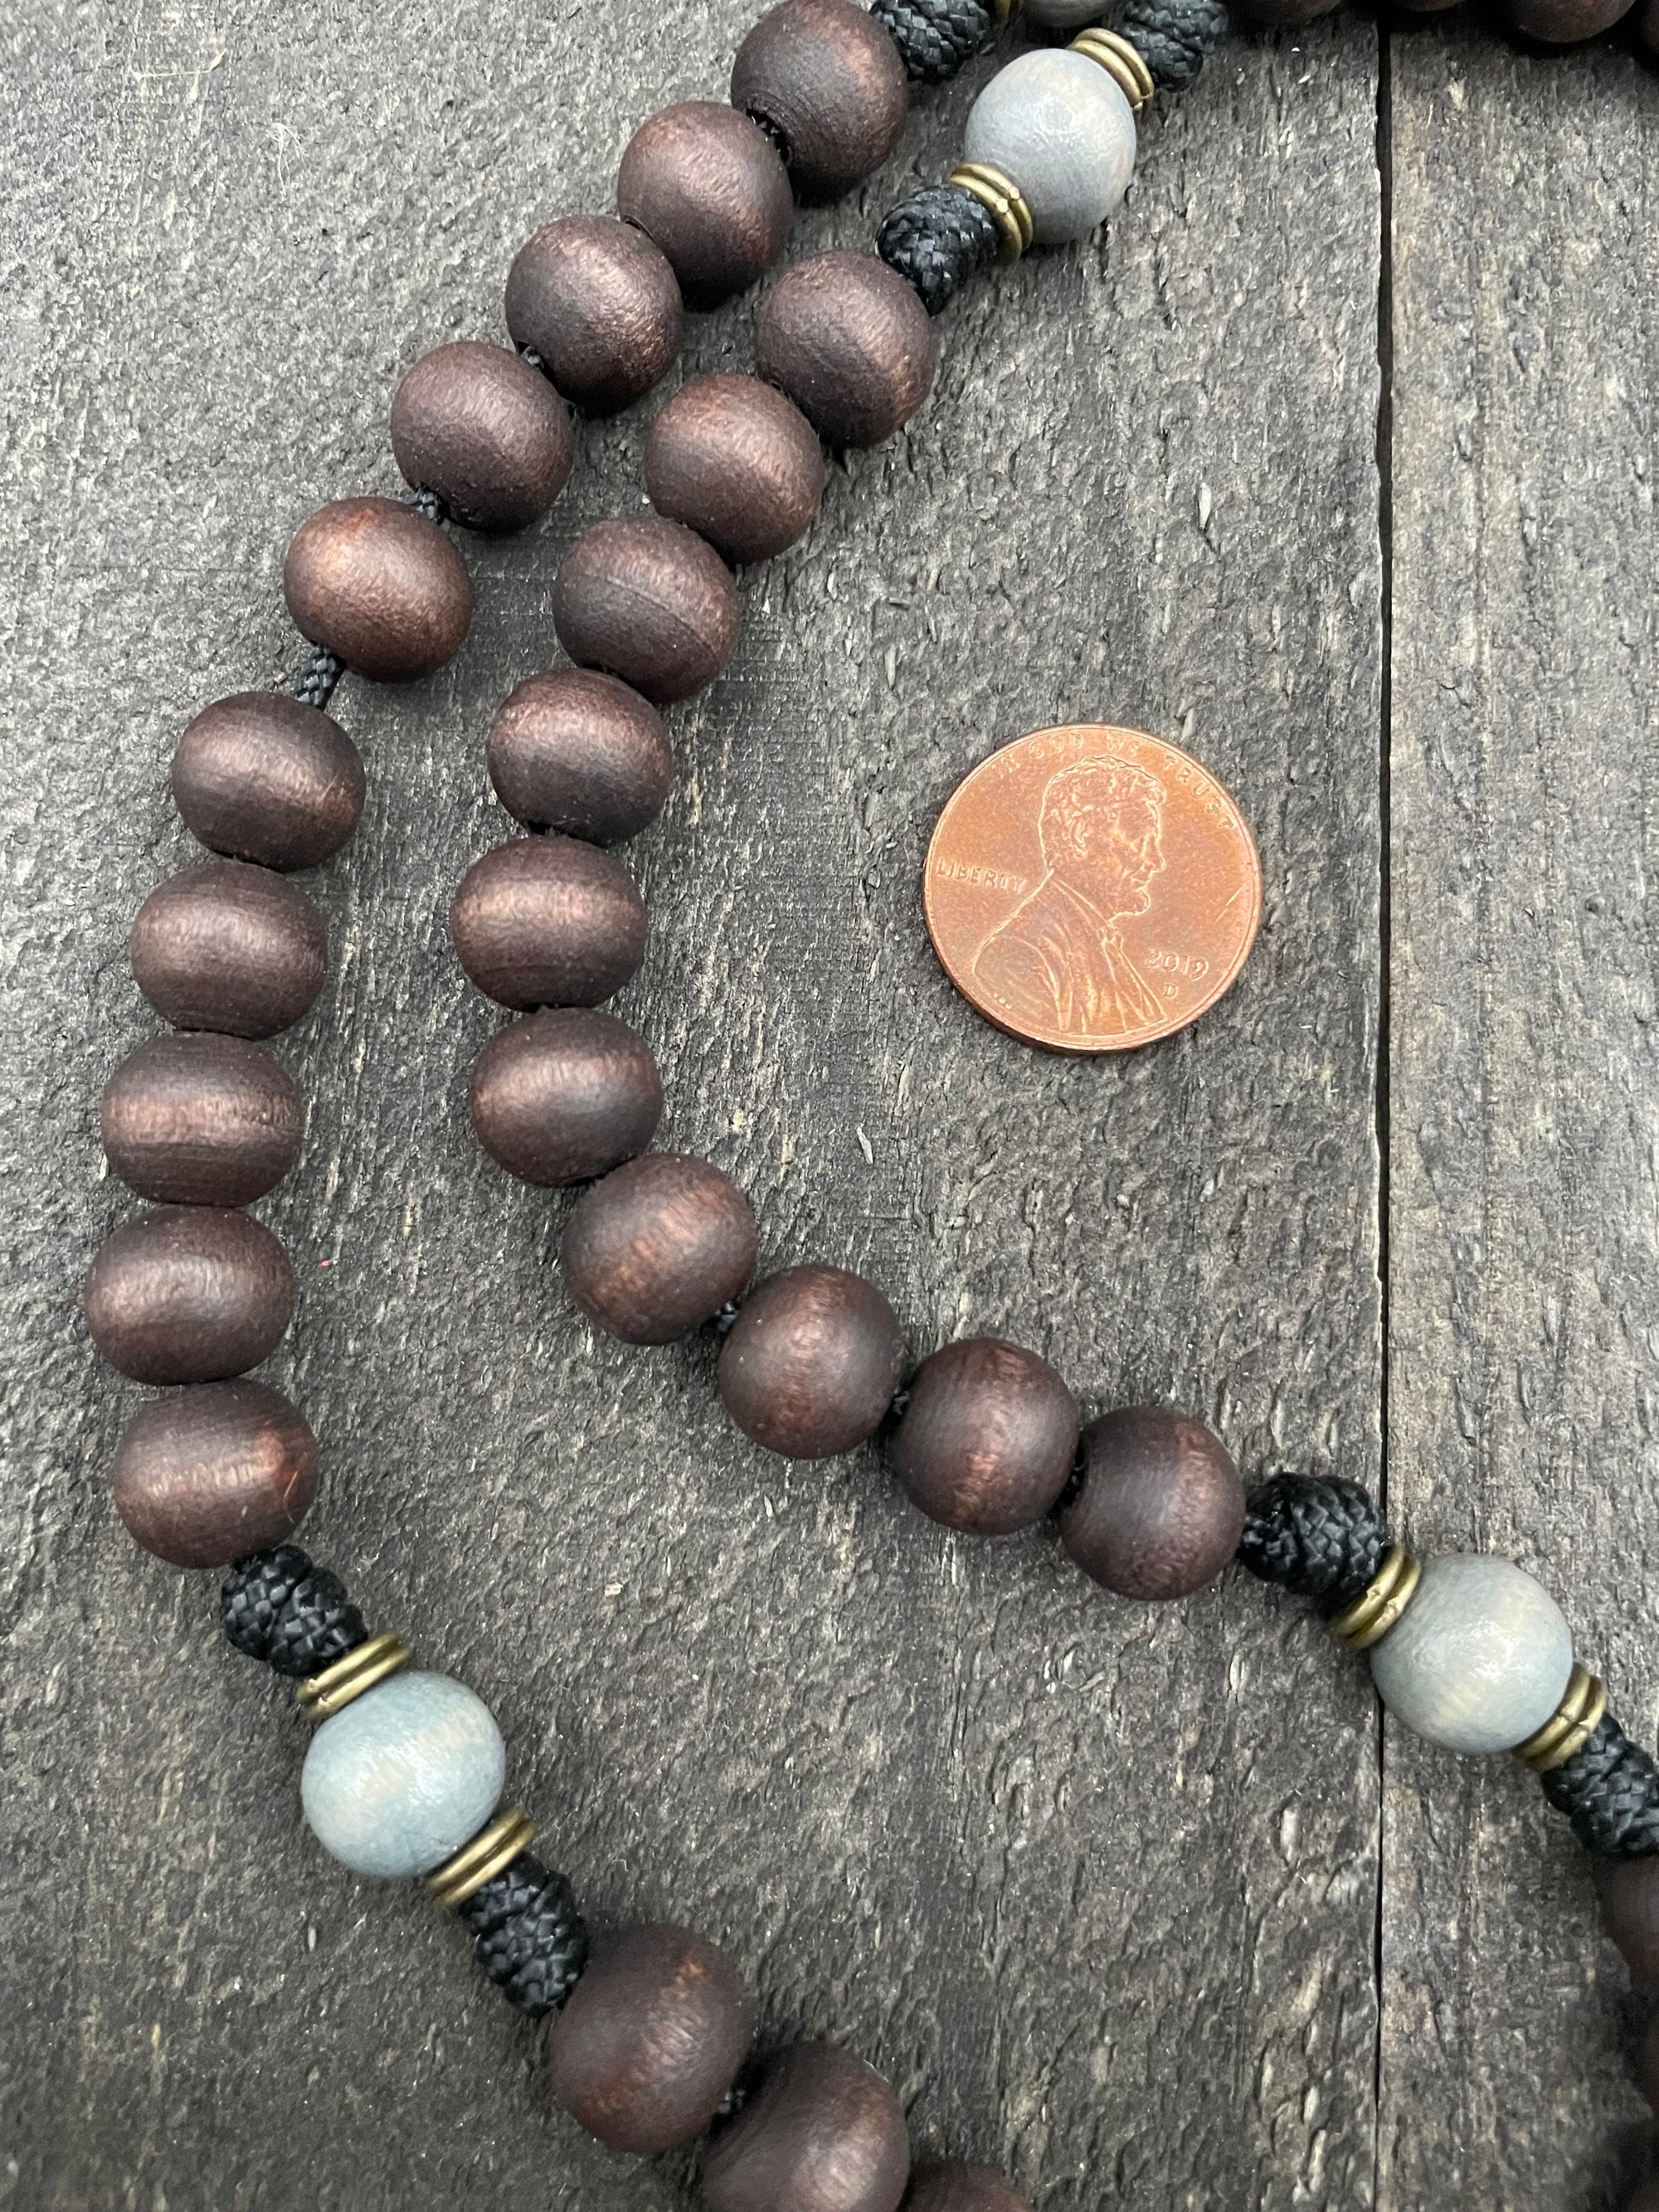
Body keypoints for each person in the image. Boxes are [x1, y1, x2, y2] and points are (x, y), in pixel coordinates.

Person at [973, 755, 1168, 1038]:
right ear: (1081, 835)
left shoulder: (1100, 940)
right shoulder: (1020, 955)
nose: (1155, 860)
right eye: (1140, 837)